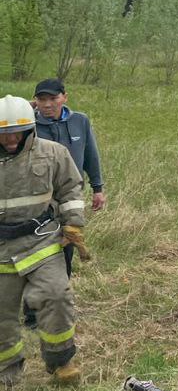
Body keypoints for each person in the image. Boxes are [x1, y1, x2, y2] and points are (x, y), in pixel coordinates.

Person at [0, 93, 87, 387]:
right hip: (1, 252)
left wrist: (73, 225)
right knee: (2, 316)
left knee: (57, 296)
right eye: (4, 135)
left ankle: (61, 362)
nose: (11, 141)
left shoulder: (53, 154)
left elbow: (71, 189)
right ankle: (7, 373)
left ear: (31, 129)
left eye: (17, 134)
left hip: (42, 242)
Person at [32, 78, 105, 278]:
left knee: (68, 242)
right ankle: (35, 306)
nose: (47, 105)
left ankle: (62, 294)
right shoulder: (27, 124)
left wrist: (98, 188)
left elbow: (91, 155)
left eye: (53, 98)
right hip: (40, 197)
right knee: (38, 248)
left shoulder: (80, 121)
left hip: (70, 195)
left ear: (64, 97)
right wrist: (25, 108)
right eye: (41, 99)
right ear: (34, 100)